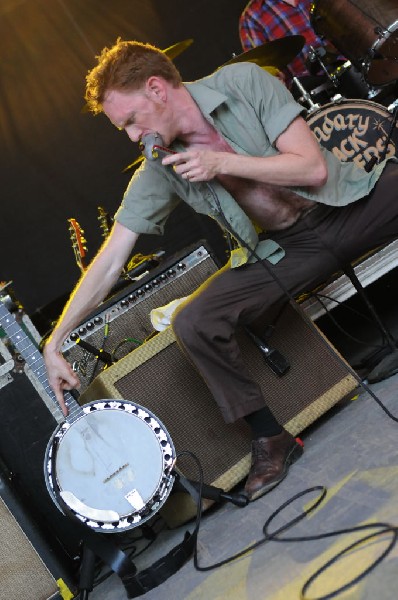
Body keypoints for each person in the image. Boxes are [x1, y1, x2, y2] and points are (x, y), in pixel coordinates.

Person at [43, 39, 398, 502]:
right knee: (195, 319)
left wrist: (221, 162)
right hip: (285, 250)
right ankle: (271, 436)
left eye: (130, 121)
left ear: (156, 89)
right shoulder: (160, 164)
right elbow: (111, 257)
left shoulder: (243, 82)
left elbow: (312, 169)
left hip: (345, 205)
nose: (132, 136)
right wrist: (56, 341)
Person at [239, 0, 343, 91]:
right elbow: (263, 77)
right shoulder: (251, 17)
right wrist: (274, 81)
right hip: (314, 90)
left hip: (352, 65)